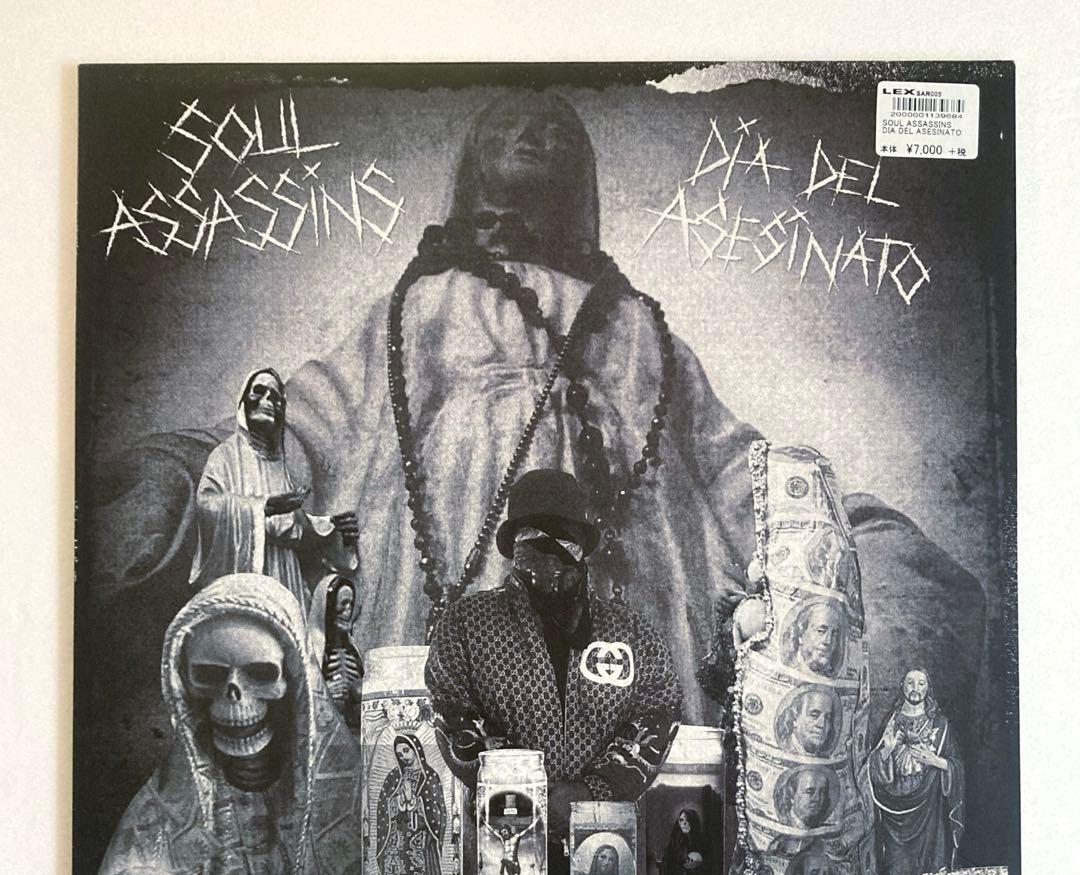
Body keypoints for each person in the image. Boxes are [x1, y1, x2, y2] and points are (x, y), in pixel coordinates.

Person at [87, 89, 987, 744]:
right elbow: (311, 422)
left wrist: (849, 536)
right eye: (509, 126)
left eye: (555, 129)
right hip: (441, 579)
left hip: (633, 589)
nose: (533, 134)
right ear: (473, 170)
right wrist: (188, 473)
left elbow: (731, 464)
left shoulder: (639, 326)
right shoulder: (421, 304)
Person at [426, 468, 680, 875]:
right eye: (532, 544)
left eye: (562, 543)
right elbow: (450, 708)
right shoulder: (468, 623)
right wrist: (528, 786)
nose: (548, 559)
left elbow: (658, 708)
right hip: (507, 836)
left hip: (602, 839)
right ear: (513, 550)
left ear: (582, 550)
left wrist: (593, 791)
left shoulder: (629, 631)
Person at [78, 574, 363, 875]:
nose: (233, 695)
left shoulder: (350, 800)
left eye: (260, 674)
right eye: (209, 676)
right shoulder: (162, 807)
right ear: (185, 685)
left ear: (294, 682)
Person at [189, 368, 358, 611]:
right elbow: (207, 504)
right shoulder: (225, 456)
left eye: (276, 398)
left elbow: (288, 527)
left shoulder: (279, 466)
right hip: (247, 573)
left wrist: (332, 528)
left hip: (285, 574)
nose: (269, 401)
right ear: (243, 401)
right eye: (259, 392)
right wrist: (265, 507)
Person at [871, 669, 964, 875]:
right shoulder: (893, 722)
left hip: (930, 818)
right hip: (895, 820)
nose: (915, 687)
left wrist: (936, 762)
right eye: (910, 682)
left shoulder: (940, 726)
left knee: (928, 873)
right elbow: (874, 770)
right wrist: (886, 751)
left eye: (921, 682)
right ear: (903, 686)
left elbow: (957, 767)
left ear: (928, 688)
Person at [374, 733, 449, 875]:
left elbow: (437, 812)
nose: (404, 757)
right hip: (397, 840)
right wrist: (399, 802)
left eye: (406, 751)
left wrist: (416, 802)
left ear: (417, 750)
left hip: (420, 840)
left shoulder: (430, 777)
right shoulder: (394, 777)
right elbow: (384, 808)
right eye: (399, 754)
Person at [307, 573, 364, 730]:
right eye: (343, 604)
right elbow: (301, 700)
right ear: (328, 606)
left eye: (351, 604)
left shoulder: (354, 650)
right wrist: (325, 693)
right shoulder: (311, 651)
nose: (348, 611)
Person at [782, 600, 845, 677]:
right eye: (820, 631)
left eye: (834, 635)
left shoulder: (831, 673)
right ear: (801, 633)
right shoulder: (788, 666)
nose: (828, 641)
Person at [775, 688, 839, 756]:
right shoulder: (786, 745)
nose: (822, 724)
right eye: (814, 715)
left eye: (827, 718)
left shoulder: (823, 753)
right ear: (795, 718)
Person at [776, 765, 834, 830]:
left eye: (823, 792)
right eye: (809, 791)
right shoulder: (784, 822)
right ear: (792, 793)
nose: (817, 798)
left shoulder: (825, 826)